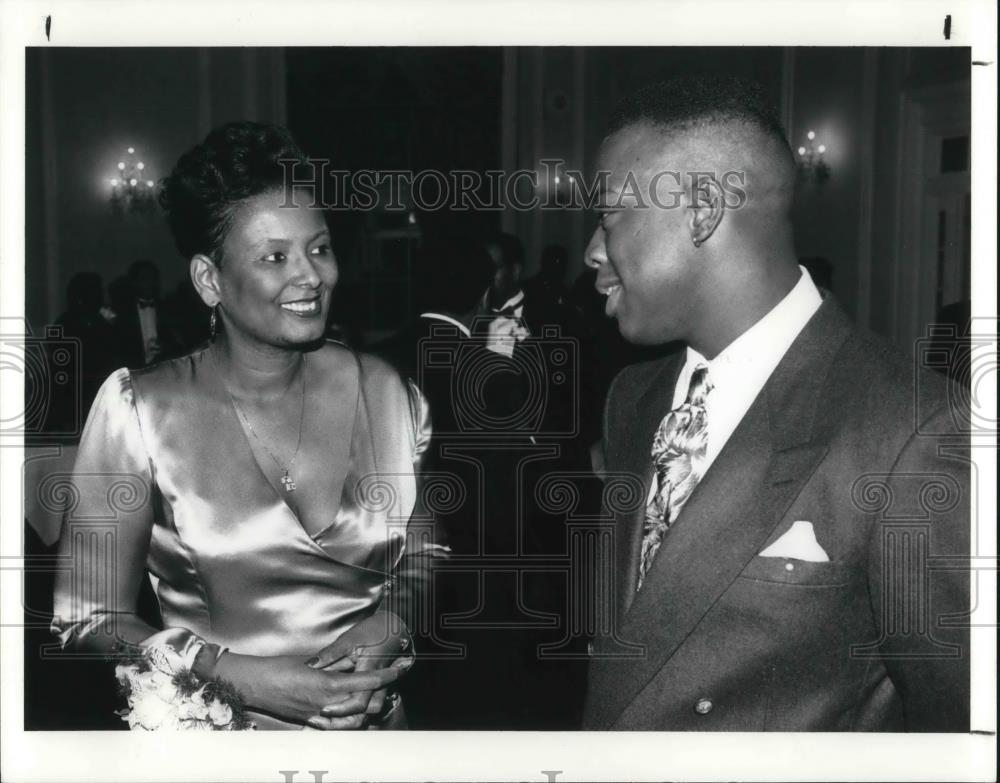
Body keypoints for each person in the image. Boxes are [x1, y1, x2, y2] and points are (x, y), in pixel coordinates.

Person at [581, 76, 969, 731]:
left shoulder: (914, 429)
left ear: (701, 209)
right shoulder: (633, 398)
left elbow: (959, 732)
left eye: (611, 213)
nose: (593, 249)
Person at [51, 121, 444, 730]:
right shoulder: (140, 410)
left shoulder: (392, 395)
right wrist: (239, 679)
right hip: (222, 745)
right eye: (274, 257)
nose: (310, 276)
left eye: (319, 248)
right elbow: (87, 621)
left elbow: (421, 551)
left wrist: (394, 622)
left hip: (377, 741)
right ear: (211, 280)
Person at [111, 259, 181, 368]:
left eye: (152, 278)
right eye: (143, 279)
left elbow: (179, 344)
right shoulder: (123, 314)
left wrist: (166, 348)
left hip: (164, 369)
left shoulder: (167, 310)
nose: (149, 283)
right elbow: (118, 349)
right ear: (134, 282)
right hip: (134, 371)